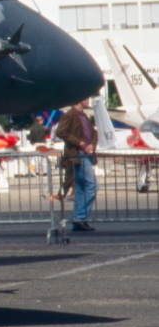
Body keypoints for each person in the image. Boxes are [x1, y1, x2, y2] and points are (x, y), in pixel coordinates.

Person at [54, 96, 98, 231]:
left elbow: (94, 133)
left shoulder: (84, 115)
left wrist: (92, 145)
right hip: (77, 154)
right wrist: (78, 142)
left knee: (81, 188)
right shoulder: (70, 115)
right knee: (92, 186)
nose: (88, 101)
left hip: (85, 154)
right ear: (80, 100)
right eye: (86, 99)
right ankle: (79, 217)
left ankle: (78, 220)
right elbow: (60, 132)